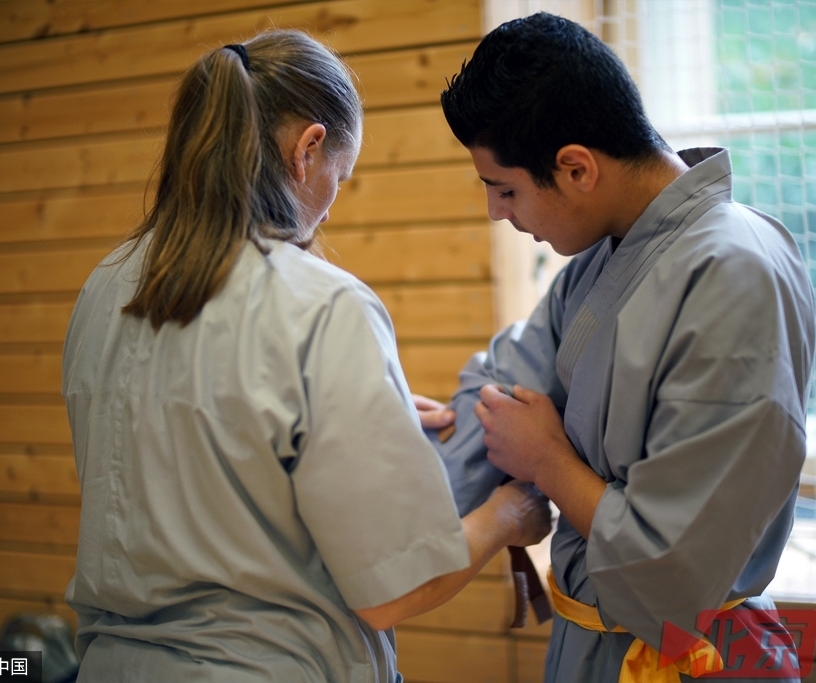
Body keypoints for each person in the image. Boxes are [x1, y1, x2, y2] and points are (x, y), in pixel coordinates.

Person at [61, 30, 550, 682]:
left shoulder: (104, 287)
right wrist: (507, 516)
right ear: (308, 149)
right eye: (340, 178)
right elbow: (396, 590)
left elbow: (192, 426)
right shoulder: (323, 305)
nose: (329, 205)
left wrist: (341, 413)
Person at [433, 13, 816, 683]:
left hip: (693, 655)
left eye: (505, 189)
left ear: (577, 167)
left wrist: (548, 460)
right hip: (588, 648)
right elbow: (494, 399)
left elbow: (674, 567)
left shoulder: (734, 271)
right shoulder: (596, 265)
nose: (498, 212)